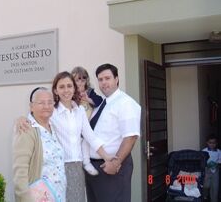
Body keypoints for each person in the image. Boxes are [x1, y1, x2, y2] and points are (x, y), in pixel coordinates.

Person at [16, 71, 112, 202]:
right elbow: (35, 118)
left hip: (77, 167)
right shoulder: (51, 111)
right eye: (61, 87)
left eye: (69, 86)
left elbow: (91, 137)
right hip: (56, 168)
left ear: (74, 88)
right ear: (55, 90)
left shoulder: (80, 111)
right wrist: (21, 119)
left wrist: (107, 157)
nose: (66, 90)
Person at [85, 63, 141, 202]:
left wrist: (116, 163)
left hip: (111, 167)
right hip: (94, 168)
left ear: (116, 79)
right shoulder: (102, 105)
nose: (103, 82)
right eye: (100, 79)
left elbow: (131, 137)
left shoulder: (125, 103)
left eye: (107, 78)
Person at [12, 87, 66, 202]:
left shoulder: (54, 127)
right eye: (41, 103)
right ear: (31, 106)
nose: (46, 106)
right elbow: (20, 171)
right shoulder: (26, 129)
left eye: (50, 102)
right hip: (37, 198)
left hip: (59, 195)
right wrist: (24, 198)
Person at [71, 66, 103, 175]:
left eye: (82, 80)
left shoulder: (90, 92)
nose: (79, 83)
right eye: (76, 80)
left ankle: (86, 162)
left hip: (87, 125)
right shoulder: (71, 94)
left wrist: (88, 99)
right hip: (75, 125)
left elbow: (100, 101)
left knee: (86, 141)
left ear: (86, 81)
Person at [202, 133, 221, 202]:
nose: (212, 144)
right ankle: (205, 196)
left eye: (214, 143)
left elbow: (219, 161)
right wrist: (206, 165)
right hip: (207, 170)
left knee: (215, 187)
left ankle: (214, 199)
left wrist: (217, 164)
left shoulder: (219, 152)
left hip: (215, 171)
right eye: (210, 143)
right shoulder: (204, 151)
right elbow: (202, 161)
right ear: (207, 143)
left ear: (216, 143)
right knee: (206, 185)